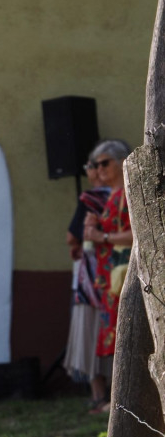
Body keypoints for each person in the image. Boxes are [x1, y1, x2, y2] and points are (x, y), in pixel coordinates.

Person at [83, 139, 133, 414]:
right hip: (110, 279)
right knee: (116, 337)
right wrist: (93, 229)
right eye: (95, 164)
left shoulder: (128, 192)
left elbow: (134, 234)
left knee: (126, 335)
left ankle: (124, 399)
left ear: (122, 161)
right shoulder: (112, 195)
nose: (99, 169)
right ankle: (119, 399)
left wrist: (101, 236)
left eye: (104, 163)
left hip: (124, 275)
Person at [62, 150, 111, 407]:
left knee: (90, 330)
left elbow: (72, 237)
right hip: (117, 273)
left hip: (94, 276)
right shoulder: (123, 194)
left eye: (91, 166)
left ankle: (98, 395)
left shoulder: (92, 198)